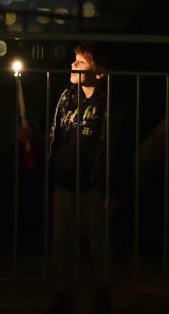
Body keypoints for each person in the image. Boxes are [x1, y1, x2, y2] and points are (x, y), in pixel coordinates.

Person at [45, 42, 114, 314]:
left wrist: (113, 187)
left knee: (98, 241)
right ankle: (64, 293)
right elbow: (57, 136)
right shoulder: (67, 97)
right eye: (74, 60)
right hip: (64, 183)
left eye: (80, 62)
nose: (72, 65)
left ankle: (102, 292)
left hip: (92, 185)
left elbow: (114, 145)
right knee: (62, 242)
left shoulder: (106, 102)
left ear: (99, 72)